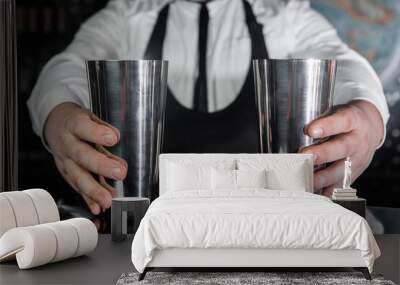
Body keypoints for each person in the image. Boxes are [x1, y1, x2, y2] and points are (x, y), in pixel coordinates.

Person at [28, 0, 389, 215]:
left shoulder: (284, 14)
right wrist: (57, 116)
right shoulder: (129, 12)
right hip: (150, 225)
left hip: (265, 224)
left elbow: (344, 63)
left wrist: (368, 115)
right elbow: (66, 69)